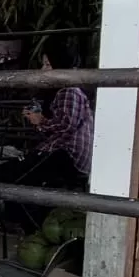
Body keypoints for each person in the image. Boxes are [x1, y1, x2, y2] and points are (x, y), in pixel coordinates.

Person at [22, 40, 92, 187]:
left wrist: (41, 120)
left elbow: (65, 125)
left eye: (48, 64)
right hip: (65, 153)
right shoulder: (63, 91)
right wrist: (38, 120)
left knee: (19, 172)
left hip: (69, 156)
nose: (43, 70)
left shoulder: (69, 91)